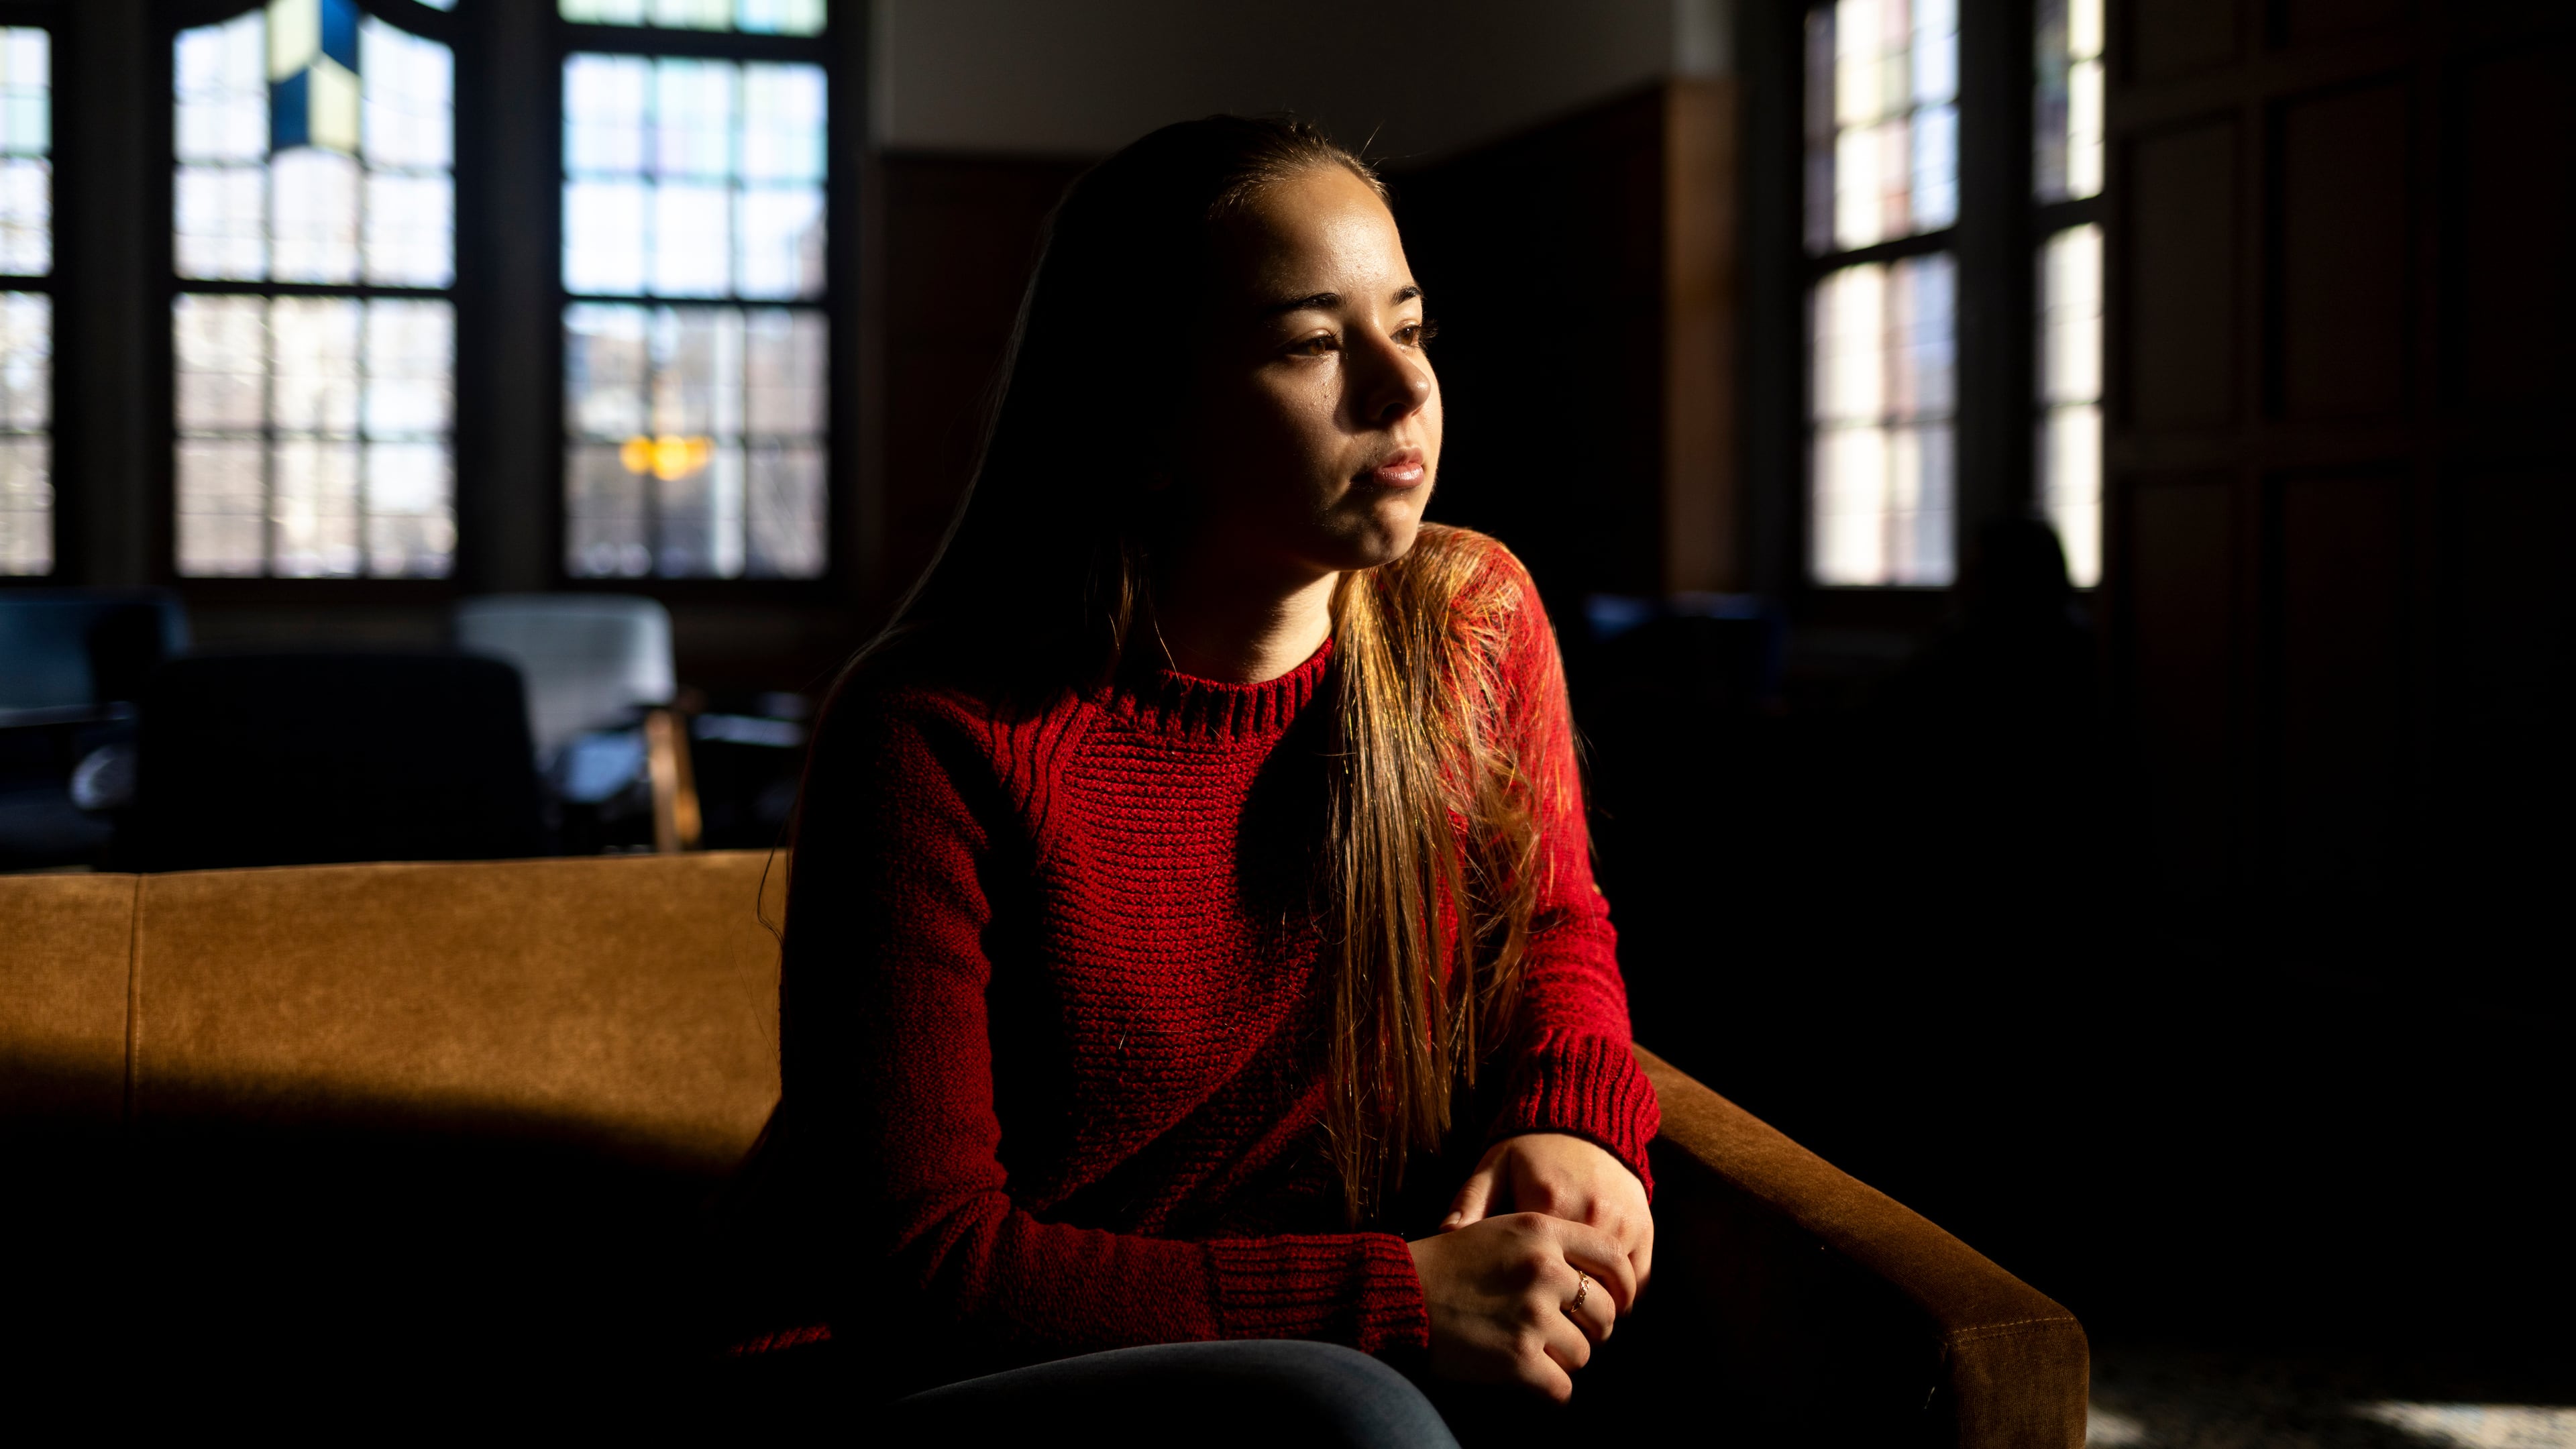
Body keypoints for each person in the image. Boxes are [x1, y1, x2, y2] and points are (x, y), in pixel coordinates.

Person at [771, 116, 1658, 1444]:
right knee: (1351, 1412)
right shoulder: (934, 732)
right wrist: (1393, 1300)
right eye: (1313, 342)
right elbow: (927, 1266)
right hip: (941, 1369)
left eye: (1407, 326)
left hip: (1313, 1336)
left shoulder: (1471, 615)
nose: (1399, 386)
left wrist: (1576, 1123)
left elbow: (1546, 929)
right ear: (1147, 413)